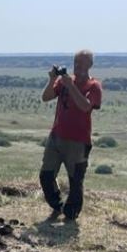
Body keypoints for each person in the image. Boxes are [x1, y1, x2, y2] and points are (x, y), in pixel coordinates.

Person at [39, 49, 102, 221]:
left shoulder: (94, 86)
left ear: (90, 65)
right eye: (76, 62)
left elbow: (86, 106)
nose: (78, 66)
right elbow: (46, 97)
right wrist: (52, 79)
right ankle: (57, 205)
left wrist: (71, 87)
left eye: (82, 63)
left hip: (78, 141)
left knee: (75, 181)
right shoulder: (64, 82)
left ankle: (71, 214)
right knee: (46, 175)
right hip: (56, 136)